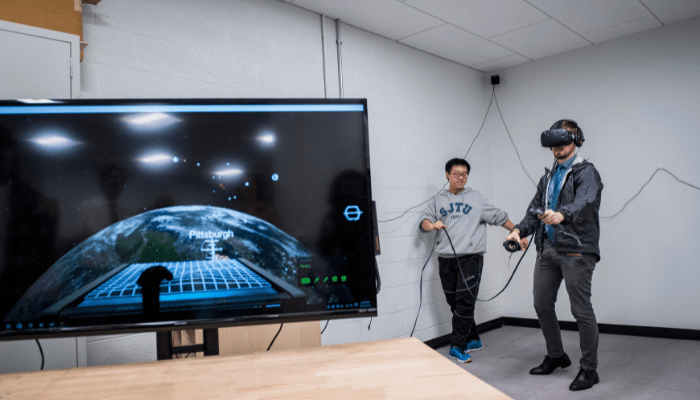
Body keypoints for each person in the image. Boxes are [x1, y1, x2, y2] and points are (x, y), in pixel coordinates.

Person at [505, 119, 603, 391]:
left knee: (581, 310)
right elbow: (534, 210)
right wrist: (518, 231)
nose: (558, 148)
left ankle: (589, 369)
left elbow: (586, 200)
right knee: (541, 304)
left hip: (576, 250)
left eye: (563, 142)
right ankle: (557, 355)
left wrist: (562, 214)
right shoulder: (547, 178)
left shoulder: (586, 172)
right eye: (554, 144)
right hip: (546, 249)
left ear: (576, 141)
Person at [420, 158, 516, 363]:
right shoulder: (438, 200)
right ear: (447, 174)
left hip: (470, 259)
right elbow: (424, 222)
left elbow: (499, 217)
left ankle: (457, 345)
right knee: (454, 302)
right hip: (446, 258)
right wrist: (432, 225)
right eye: (456, 174)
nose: (461, 177)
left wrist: (519, 233)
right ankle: (473, 338)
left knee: (465, 302)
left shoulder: (476, 198)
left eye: (464, 174)